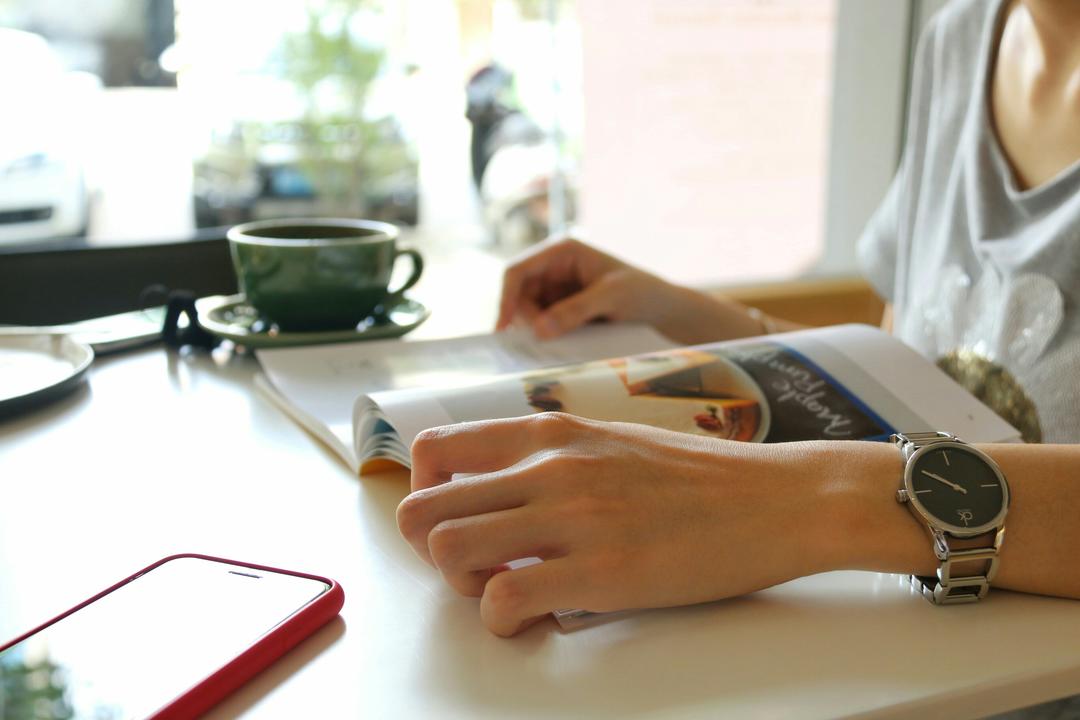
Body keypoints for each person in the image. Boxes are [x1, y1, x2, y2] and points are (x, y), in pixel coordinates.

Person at [397, 0, 1080, 638]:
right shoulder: (961, 38)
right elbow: (917, 392)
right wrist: (674, 313)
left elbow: (895, 466)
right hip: (913, 645)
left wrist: (801, 499)